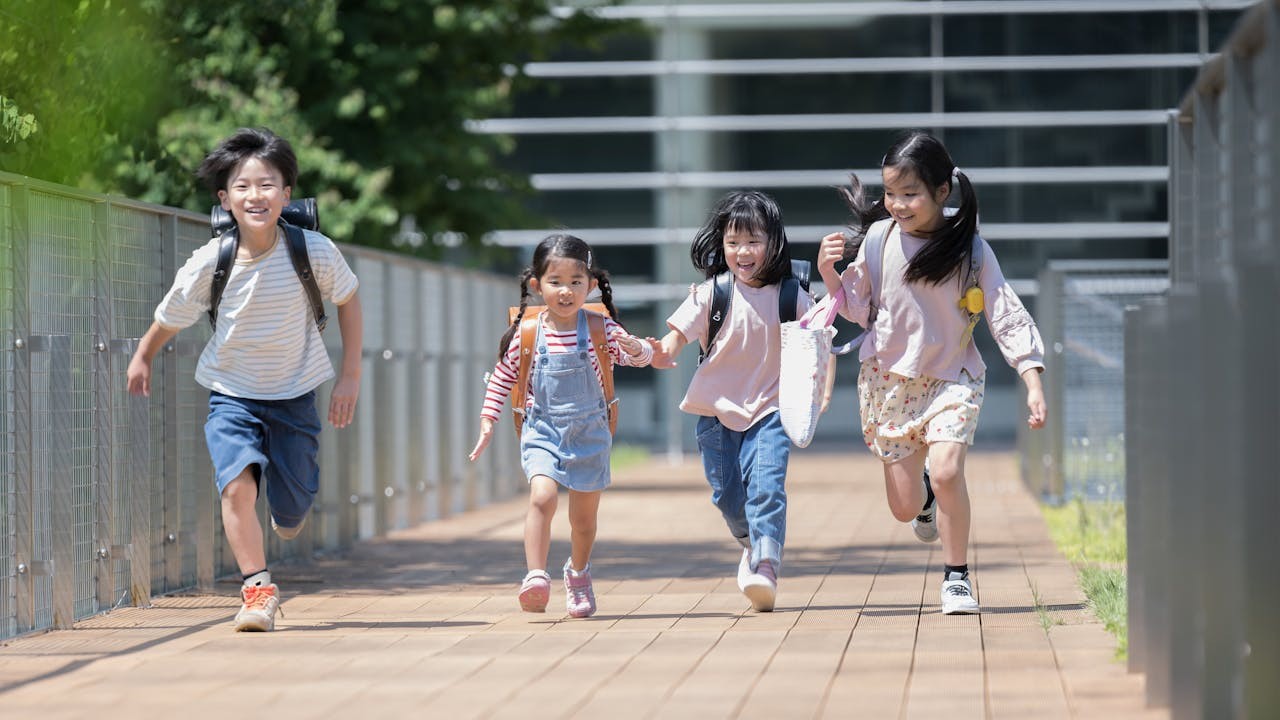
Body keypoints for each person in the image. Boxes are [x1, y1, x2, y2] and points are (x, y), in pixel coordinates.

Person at [126, 128, 363, 632]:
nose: (255, 196)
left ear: (287, 195)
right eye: (242, 186)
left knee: (293, 508)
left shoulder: (312, 250)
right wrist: (143, 355)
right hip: (232, 394)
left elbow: (348, 300)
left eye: (267, 185)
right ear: (225, 198)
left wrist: (350, 375)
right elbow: (172, 314)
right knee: (236, 488)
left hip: (296, 392)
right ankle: (258, 591)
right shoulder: (214, 260)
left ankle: (288, 510)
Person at [816, 130, 1046, 615]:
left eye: (910, 194)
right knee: (903, 508)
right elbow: (859, 310)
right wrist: (831, 274)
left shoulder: (972, 249)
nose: (897, 205)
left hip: (952, 378)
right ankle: (920, 503)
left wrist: (1031, 378)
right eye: (890, 194)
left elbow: (1005, 312)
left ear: (943, 191)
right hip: (888, 382)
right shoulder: (879, 240)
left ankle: (956, 577)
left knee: (946, 473)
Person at [469, 234, 653, 618]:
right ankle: (536, 575)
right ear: (537, 286)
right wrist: (488, 421)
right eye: (555, 282)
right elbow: (503, 378)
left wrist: (639, 350)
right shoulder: (528, 333)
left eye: (576, 282)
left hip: (590, 432)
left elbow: (637, 355)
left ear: (591, 284)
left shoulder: (601, 330)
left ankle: (579, 572)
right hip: (543, 430)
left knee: (582, 521)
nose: (566, 291)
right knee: (542, 497)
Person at [651, 190, 813, 613]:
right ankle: (749, 541)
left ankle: (766, 562)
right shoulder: (713, 293)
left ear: (773, 242)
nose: (743, 251)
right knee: (727, 496)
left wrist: (821, 391)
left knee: (766, 486)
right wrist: (655, 351)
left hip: (770, 409)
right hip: (714, 412)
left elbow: (818, 343)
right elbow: (675, 339)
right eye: (733, 241)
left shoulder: (791, 294)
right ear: (721, 244)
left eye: (753, 241)